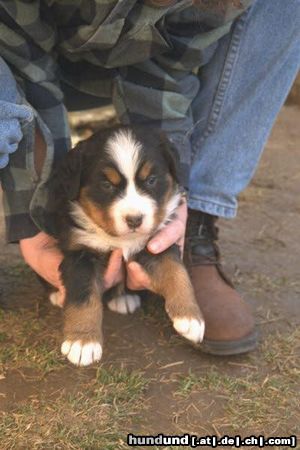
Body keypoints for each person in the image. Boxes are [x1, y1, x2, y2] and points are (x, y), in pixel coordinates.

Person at [0, 0, 299, 355]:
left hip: (132, 61)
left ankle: (192, 232)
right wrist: (33, 210)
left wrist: (178, 197)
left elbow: (167, 76)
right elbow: (27, 73)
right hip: (21, 61)